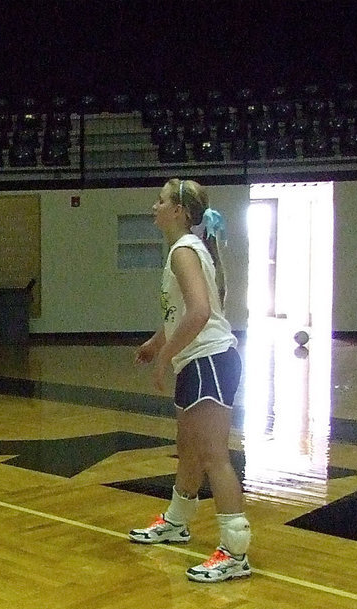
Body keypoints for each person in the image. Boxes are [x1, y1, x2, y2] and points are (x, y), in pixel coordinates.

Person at [128, 179, 251, 583]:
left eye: (160, 201)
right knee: (188, 450)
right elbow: (183, 313)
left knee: (214, 455)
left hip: (208, 361)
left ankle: (235, 551)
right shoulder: (186, 250)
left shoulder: (183, 251)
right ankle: (177, 522)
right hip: (197, 362)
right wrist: (156, 341)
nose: (154, 207)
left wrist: (164, 358)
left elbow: (199, 314)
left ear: (179, 210)